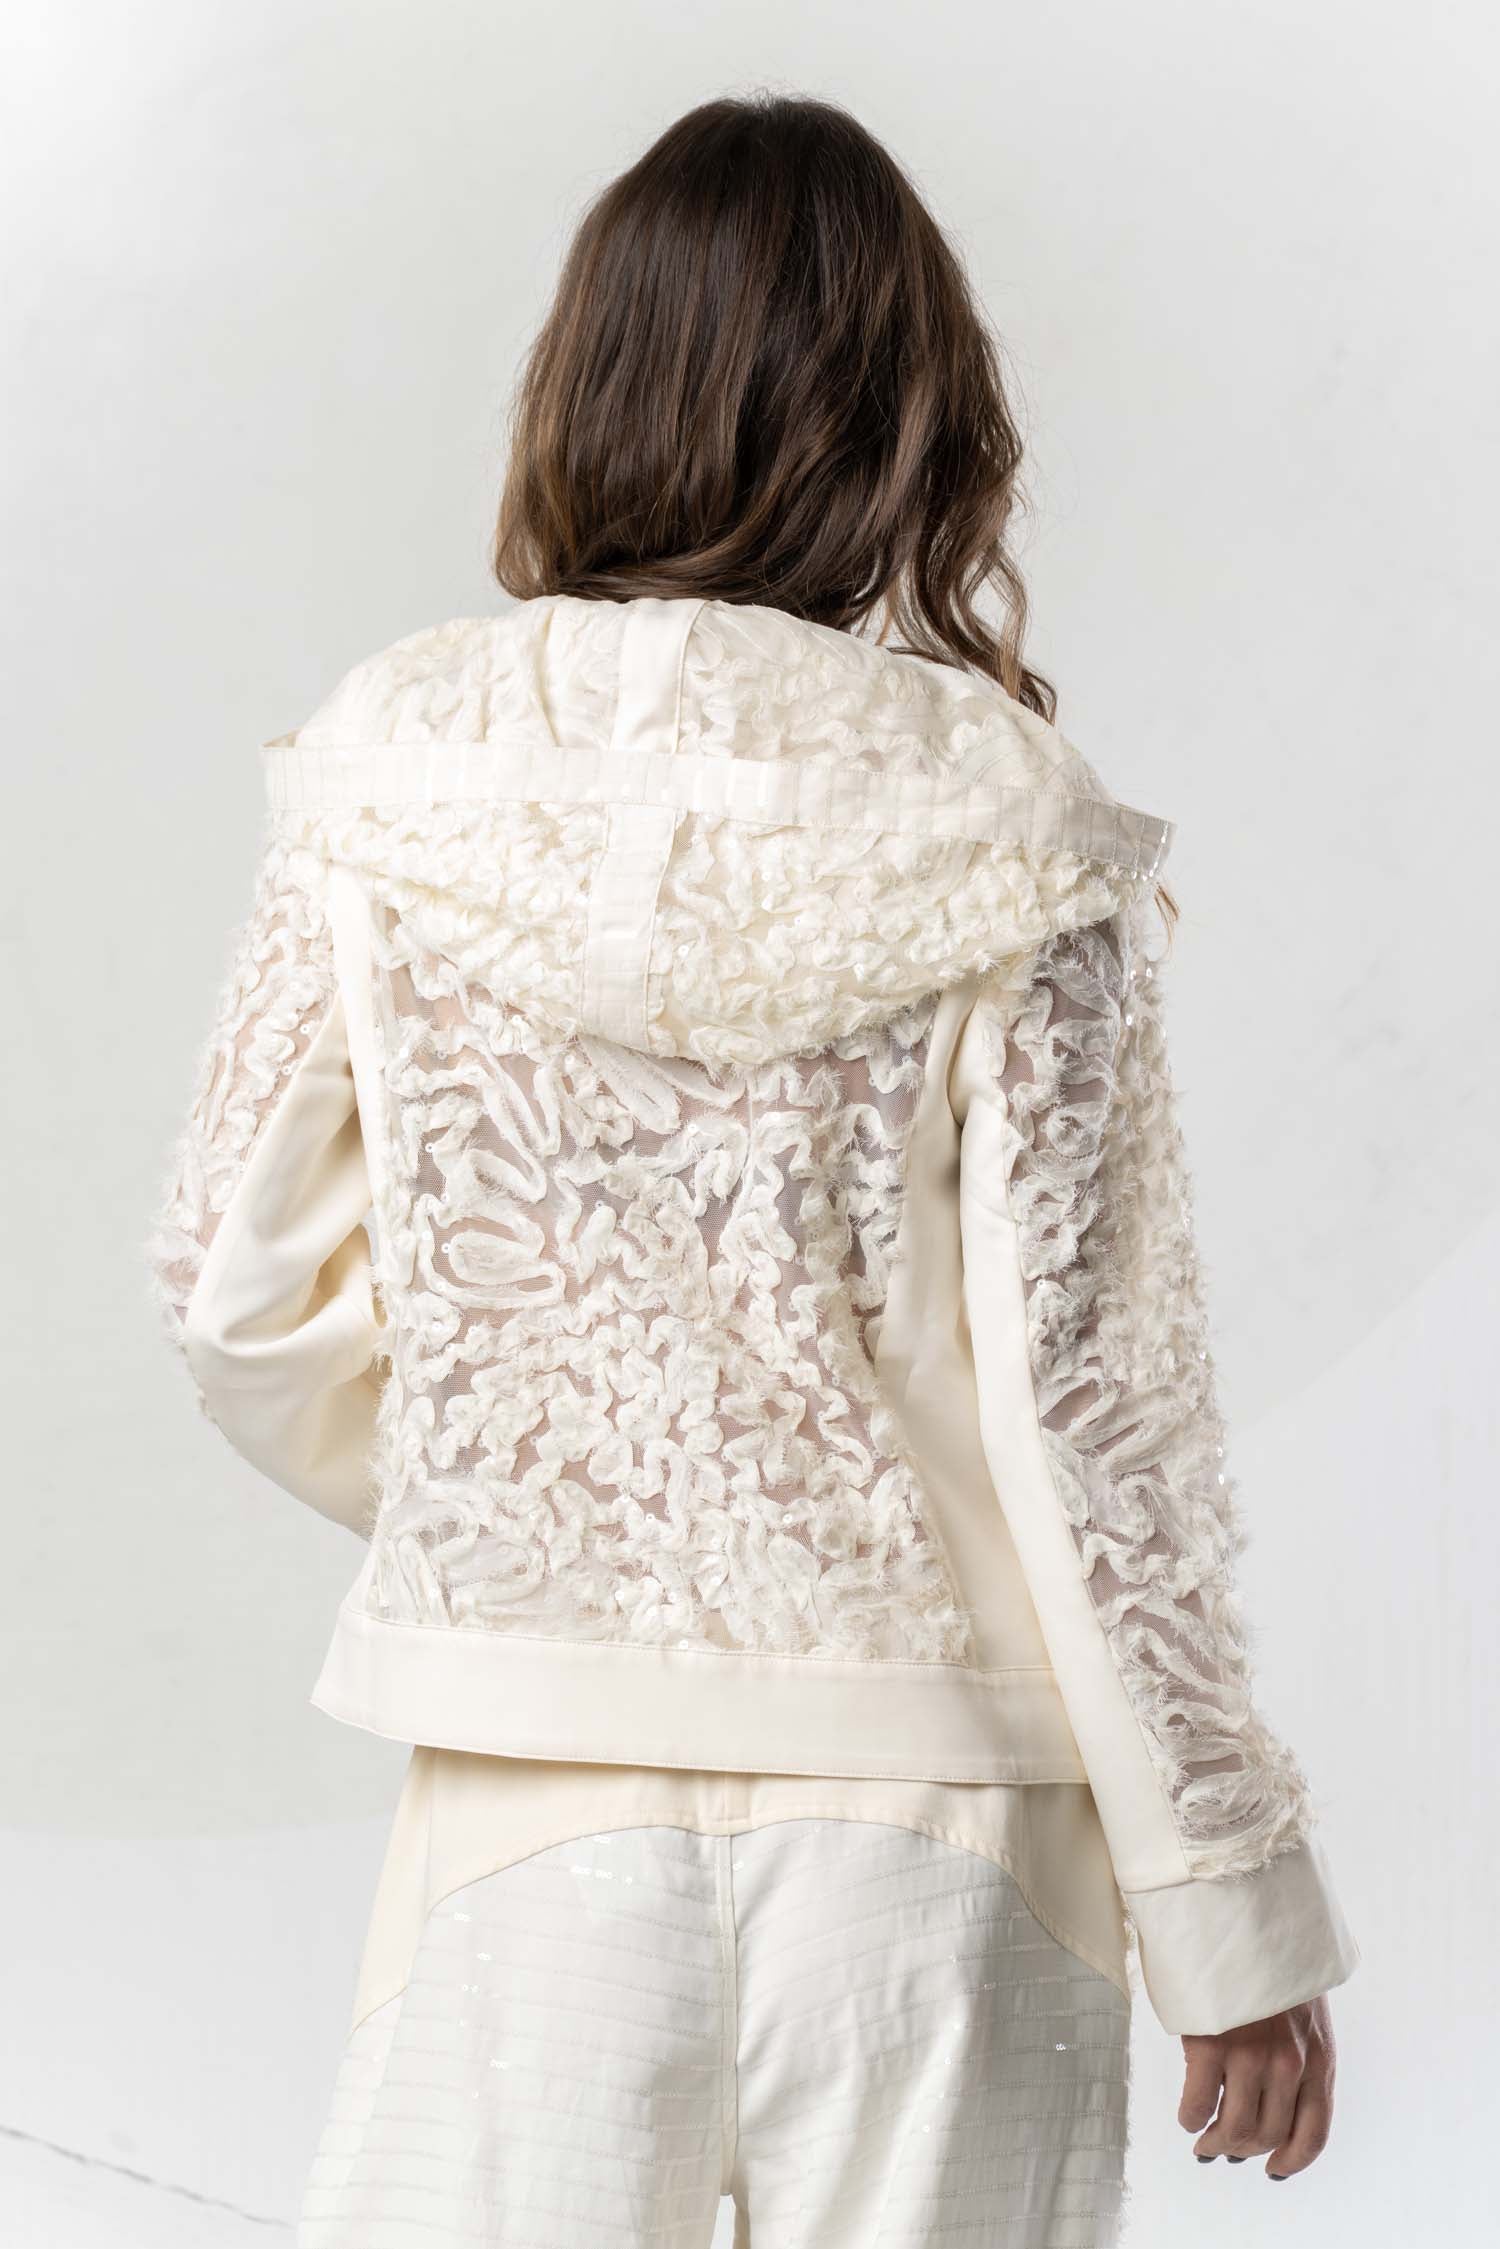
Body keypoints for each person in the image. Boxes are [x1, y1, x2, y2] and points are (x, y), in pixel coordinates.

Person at [146, 92, 1357, 2248]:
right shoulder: (1008, 802)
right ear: (910, 417)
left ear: (585, 384)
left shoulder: (392, 762)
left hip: (530, 1809)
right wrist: (1230, 1910)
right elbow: (1089, 1421)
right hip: (947, 1826)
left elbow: (234, 1299)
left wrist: (549, 1480)